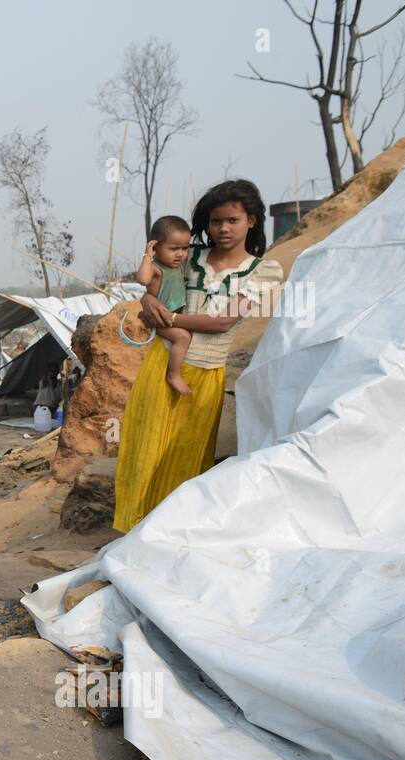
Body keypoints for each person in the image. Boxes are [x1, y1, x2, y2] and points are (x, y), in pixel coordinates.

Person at [113, 179, 284, 533]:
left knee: (185, 457)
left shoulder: (264, 271)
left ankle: (169, 534)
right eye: (215, 221)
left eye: (232, 220)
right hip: (162, 366)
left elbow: (223, 322)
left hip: (207, 374)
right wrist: (148, 299)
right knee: (145, 451)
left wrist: (170, 318)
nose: (222, 228)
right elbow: (154, 286)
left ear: (251, 220)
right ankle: (134, 534)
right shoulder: (187, 255)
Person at [135, 215, 195, 394]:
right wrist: (148, 255)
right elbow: (143, 279)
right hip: (158, 319)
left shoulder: (178, 267)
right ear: (156, 246)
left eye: (185, 248)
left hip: (173, 316)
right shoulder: (156, 268)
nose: (181, 254)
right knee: (183, 337)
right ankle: (173, 374)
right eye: (174, 248)